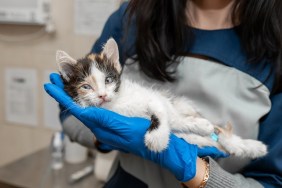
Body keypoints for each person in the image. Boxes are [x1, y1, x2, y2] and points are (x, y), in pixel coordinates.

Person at [44, 0, 282, 187]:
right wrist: (104, 135)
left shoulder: (275, 41)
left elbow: (273, 181)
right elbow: (70, 112)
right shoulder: (132, 19)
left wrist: (197, 172)